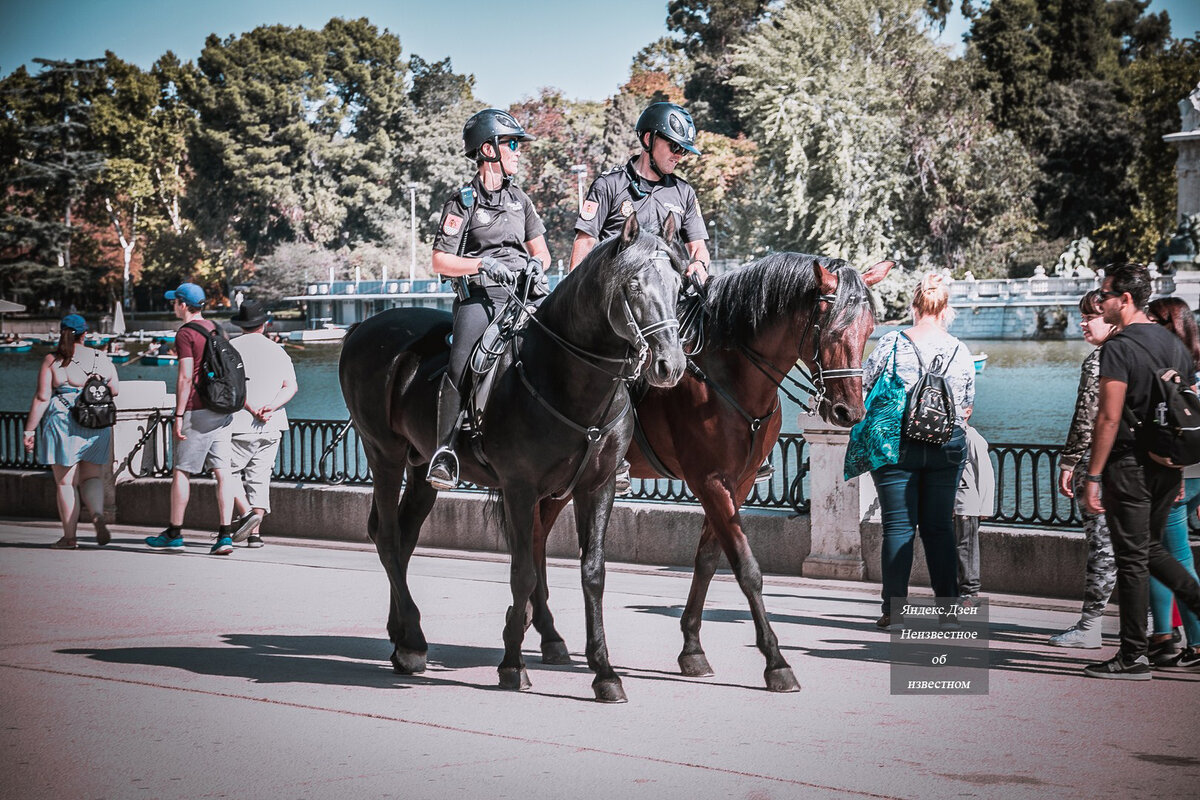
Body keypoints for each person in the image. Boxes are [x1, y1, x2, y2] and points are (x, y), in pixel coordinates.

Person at [569, 101, 717, 492]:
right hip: (616, 307)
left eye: (685, 150)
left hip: (665, 302)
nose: (680, 156)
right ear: (649, 140)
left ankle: (742, 446)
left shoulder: (683, 193)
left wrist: (698, 266)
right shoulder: (608, 185)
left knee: (715, 340)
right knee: (615, 365)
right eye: (675, 147)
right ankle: (612, 456)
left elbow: (699, 247)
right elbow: (583, 247)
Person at [1080, 262, 1200, 679]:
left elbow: (1108, 418)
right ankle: (1137, 651)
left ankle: (1132, 656)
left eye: (1105, 295)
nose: (1100, 302)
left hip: (1129, 463)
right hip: (1167, 462)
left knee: (1135, 557)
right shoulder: (1174, 345)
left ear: (1125, 299)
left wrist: (1093, 476)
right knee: (1146, 549)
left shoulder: (1118, 347)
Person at [426, 108, 551, 490]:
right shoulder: (463, 201)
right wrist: (482, 264)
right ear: (488, 149)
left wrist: (535, 266)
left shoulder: (522, 200)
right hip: (481, 298)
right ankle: (444, 452)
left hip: (524, 293)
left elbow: (542, 252)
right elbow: (439, 260)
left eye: (517, 144)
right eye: (512, 143)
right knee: (462, 363)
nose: (518, 151)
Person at [861, 272, 975, 629]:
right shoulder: (960, 350)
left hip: (896, 445)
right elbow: (967, 406)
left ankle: (893, 612)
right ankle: (948, 610)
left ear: (914, 306)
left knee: (898, 527)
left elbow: (865, 384)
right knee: (939, 527)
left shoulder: (891, 342)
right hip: (946, 444)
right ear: (945, 310)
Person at [145, 282, 252, 555]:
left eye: (174, 302)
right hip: (222, 409)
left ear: (182, 304)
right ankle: (225, 535)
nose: (173, 306)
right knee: (223, 473)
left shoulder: (185, 334)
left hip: (197, 408)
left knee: (181, 470)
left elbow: (184, 377)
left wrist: (179, 414)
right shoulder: (216, 328)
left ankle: (174, 533)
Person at [1051, 290, 1119, 649]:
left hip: (1100, 466)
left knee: (1102, 546)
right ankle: (1153, 624)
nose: (1082, 322)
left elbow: (1087, 416)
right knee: (1141, 549)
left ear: (1110, 314)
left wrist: (1070, 461)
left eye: (1089, 316)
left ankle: (1091, 625)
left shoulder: (1099, 359)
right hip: (1140, 469)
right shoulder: (1140, 351)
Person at [23, 314, 119, 548]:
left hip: (64, 421)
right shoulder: (101, 357)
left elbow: (42, 397)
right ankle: (96, 513)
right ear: (85, 334)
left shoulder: (53, 360)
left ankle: (69, 537)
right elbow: (114, 390)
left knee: (66, 483)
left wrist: (29, 430)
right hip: (96, 423)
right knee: (92, 477)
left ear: (62, 333)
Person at [1144, 296, 1200, 669]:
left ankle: (1191, 641)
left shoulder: (1175, 370)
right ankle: (1163, 634)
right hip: (1193, 475)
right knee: (1162, 554)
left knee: (1170, 557)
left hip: (1179, 473)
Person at [228, 300, 297, 547]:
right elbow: (291, 387)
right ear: (264, 324)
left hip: (239, 423)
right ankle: (255, 535)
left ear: (241, 325)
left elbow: (231, 388)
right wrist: (272, 406)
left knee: (228, 472)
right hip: (272, 424)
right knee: (260, 477)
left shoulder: (230, 348)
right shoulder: (278, 350)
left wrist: (251, 407)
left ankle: (244, 518)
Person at [953, 408, 994, 601]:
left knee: (966, 549)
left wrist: (984, 508)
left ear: (967, 412)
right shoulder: (949, 438)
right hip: (952, 506)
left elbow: (985, 475)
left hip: (968, 506)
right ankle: (959, 590)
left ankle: (970, 592)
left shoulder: (973, 439)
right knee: (955, 549)